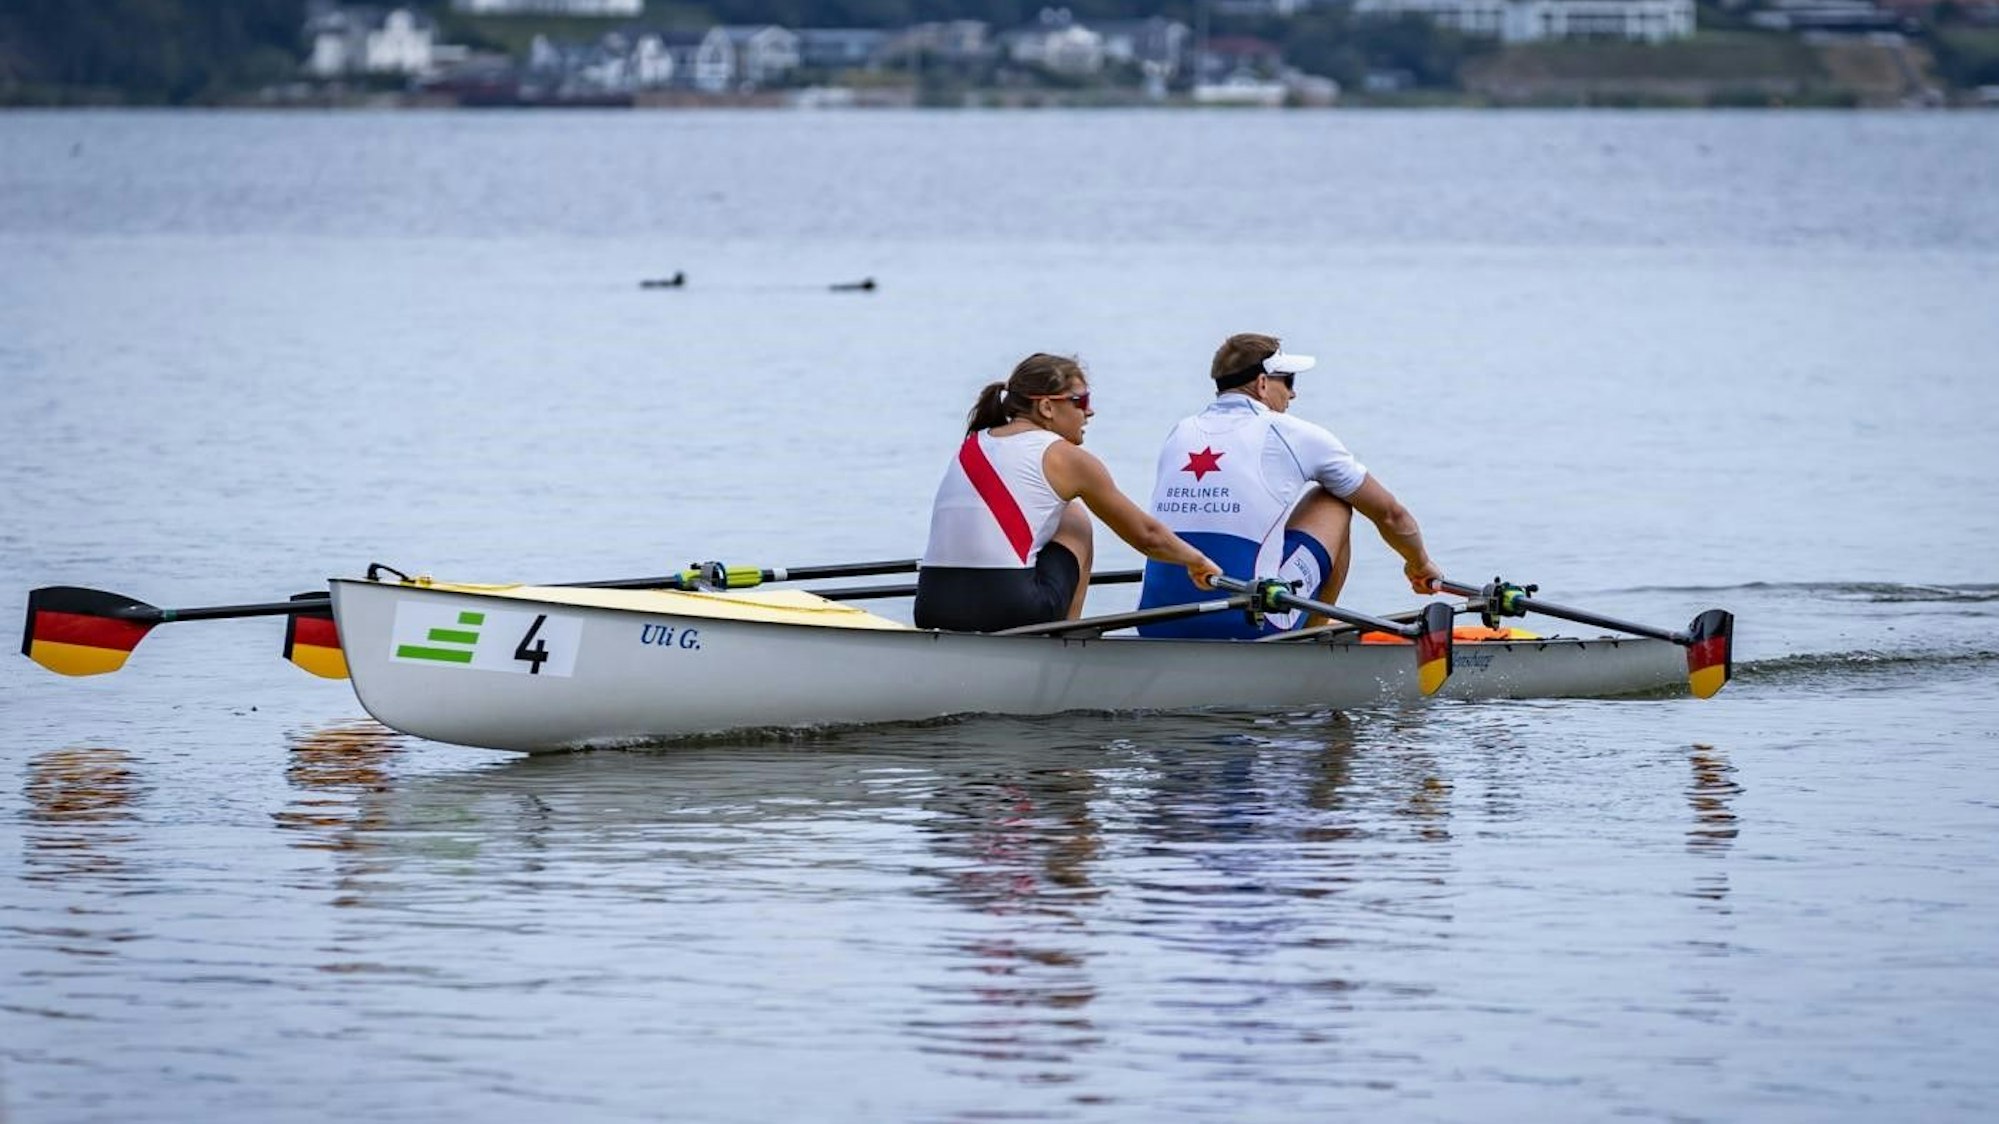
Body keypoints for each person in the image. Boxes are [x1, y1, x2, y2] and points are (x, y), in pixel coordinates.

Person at [1135, 332, 1442, 640]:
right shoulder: (1292, 433)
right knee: (1334, 500)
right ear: (1262, 384)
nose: (1293, 395)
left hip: (1154, 620)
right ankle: (1310, 639)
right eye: (1289, 381)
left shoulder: (1180, 432)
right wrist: (1420, 564)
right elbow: (1391, 514)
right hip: (1247, 623)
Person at [916, 353, 1223, 633]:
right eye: (1080, 400)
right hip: (1010, 611)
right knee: (1075, 517)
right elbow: (1147, 536)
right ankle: (1067, 643)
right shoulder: (1066, 458)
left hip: (932, 607)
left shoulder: (972, 443)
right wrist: (1196, 561)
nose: (1090, 412)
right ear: (1047, 407)